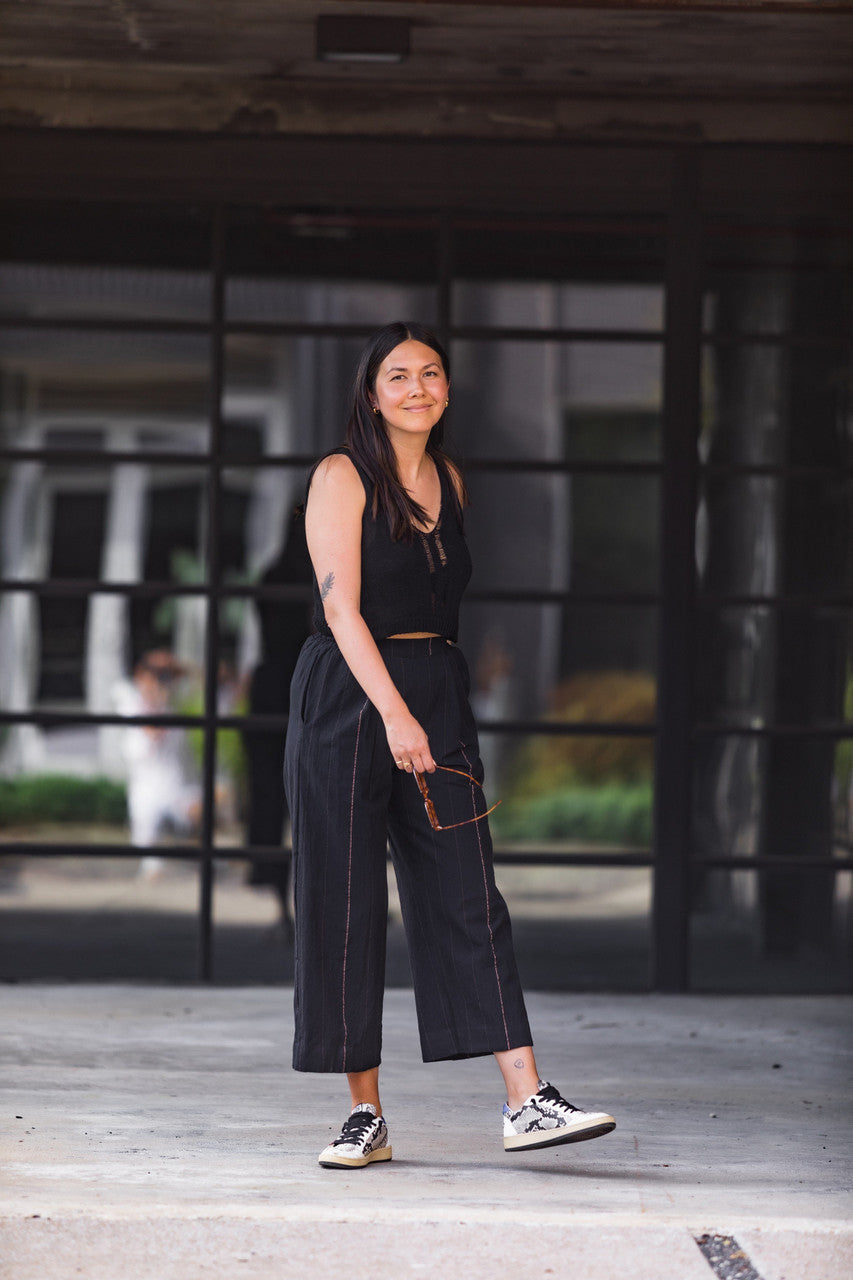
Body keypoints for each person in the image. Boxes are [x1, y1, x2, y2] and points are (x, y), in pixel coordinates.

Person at [284, 321, 615, 1169]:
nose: (418, 388)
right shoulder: (341, 474)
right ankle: (364, 1115)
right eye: (398, 376)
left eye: (431, 373)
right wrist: (393, 713)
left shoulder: (448, 477)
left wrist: (446, 692)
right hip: (351, 698)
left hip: (435, 687)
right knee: (345, 901)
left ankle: (526, 1098)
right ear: (370, 393)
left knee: (469, 893)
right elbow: (340, 609)